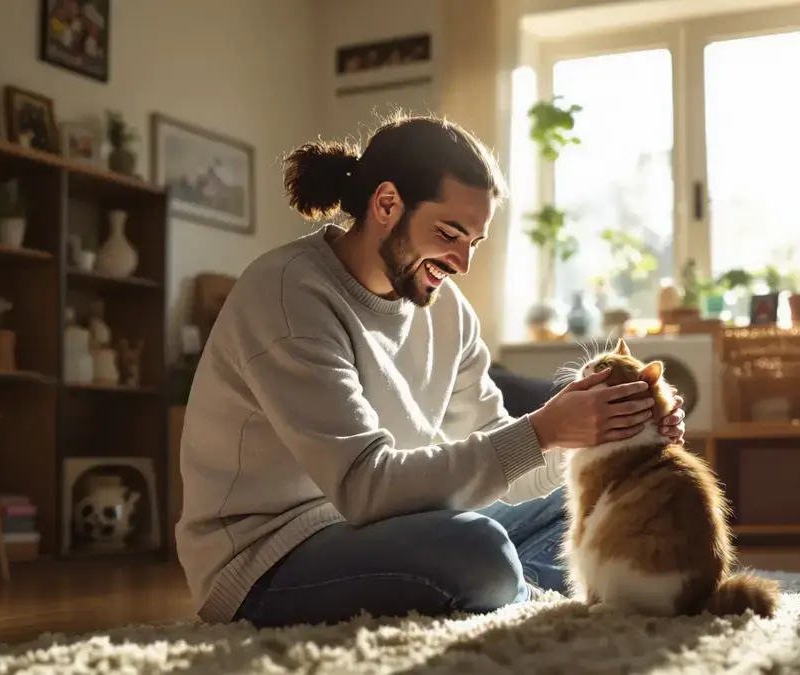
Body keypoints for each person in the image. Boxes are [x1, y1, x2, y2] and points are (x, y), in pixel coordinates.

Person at [176, 114, 686, 628]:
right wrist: (542, 430)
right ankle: (522, 591)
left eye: (474, 243)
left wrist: (604, 433)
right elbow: (364, 487)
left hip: (400, 522)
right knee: (477, 550)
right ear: (386, 204)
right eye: (449, 233)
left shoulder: (448, 310)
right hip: (270, 558)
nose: (462, 262)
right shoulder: (289, 294)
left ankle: (514, 587)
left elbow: (502, 460)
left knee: (582, 497)